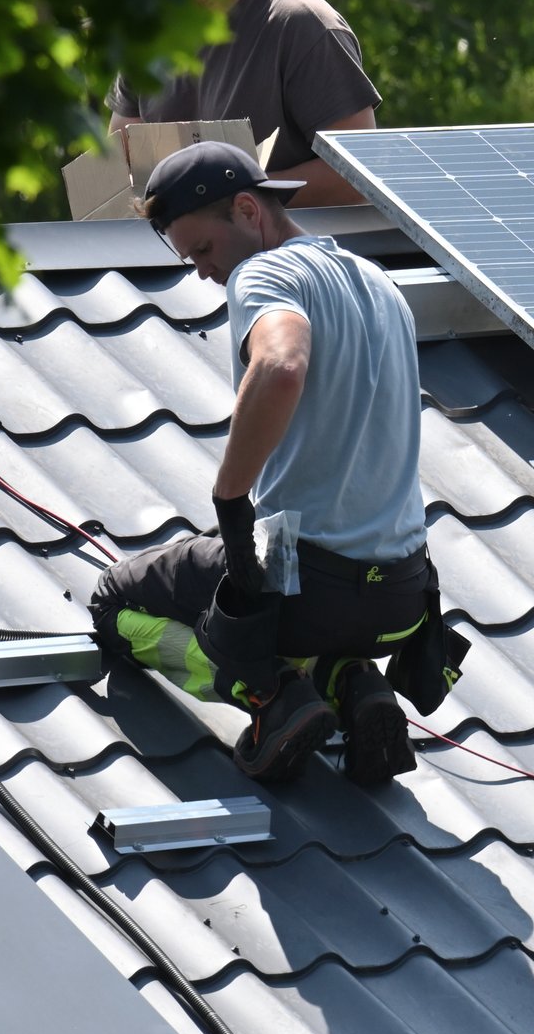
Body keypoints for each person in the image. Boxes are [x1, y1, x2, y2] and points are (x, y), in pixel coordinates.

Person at [88, 140, 452, 785]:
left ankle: (267, 696)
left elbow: (282, 365)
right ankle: (350, 680)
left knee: (115, 605)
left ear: (249, 211)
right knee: (307, 608)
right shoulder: (379, 283)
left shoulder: (267, 275)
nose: (201, 271)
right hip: (401, 596)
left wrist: (230, 499)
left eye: (202, 250)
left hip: (307, 585)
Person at [108, 0, 379, 208]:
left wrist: (232, 198)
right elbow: (118, 167)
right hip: (168, 253)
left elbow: (357, 177)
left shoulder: (303, 26)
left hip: (288, 253)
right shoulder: (145, 32)